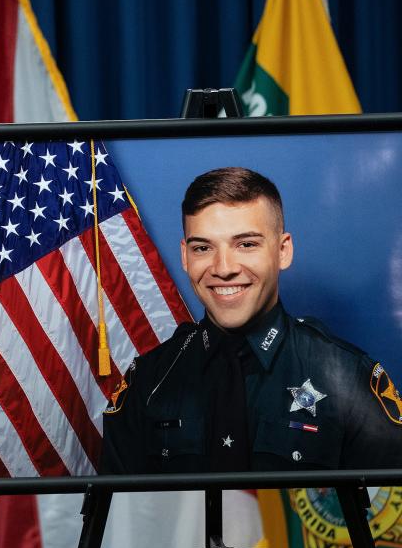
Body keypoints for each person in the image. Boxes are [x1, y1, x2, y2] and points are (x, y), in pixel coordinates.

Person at [100, 167, 402, 473]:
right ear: (185, 256)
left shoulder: (348, 378)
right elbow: (120, 517)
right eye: (203, 248)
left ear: (283, 251)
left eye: (246, 244)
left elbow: (390, 514)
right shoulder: (149, 381)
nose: (224, 268)